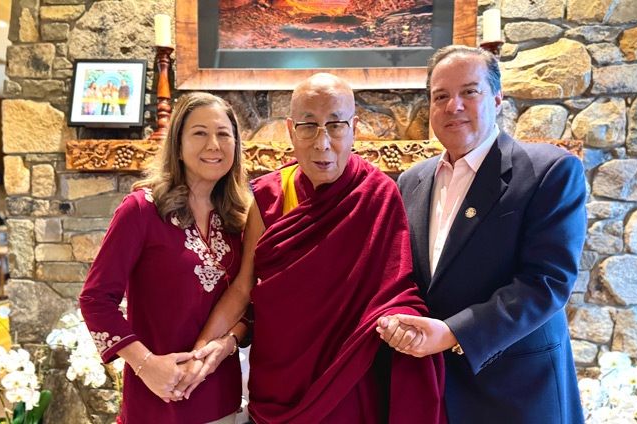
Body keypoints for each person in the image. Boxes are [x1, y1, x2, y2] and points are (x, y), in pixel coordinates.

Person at [183, 73, 446, 423]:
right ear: (291, 131)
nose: (322, 143)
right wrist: (199, 353)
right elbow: (243, 288)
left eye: (335, 126)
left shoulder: (379, 194)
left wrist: (405, 321)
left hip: (347, 380)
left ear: (354, 127)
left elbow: (396, 289)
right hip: (278, 379)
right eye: (309, 126)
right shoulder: (267, 196)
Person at [377, 45, 587, 423]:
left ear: (497, 97)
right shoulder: (411, 180)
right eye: (440, 96)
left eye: (469, 92)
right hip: (432, 386)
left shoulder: (550, 171)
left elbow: (546, 283)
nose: (453, 105)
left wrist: (452, 333)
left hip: (516, 390)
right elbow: (405, 272)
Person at [79, 92, 251, 424]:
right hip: (157, 399)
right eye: (199, 133)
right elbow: (95, 299)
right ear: (178, 144)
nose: (213, 144)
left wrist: (229, 343)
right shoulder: (141, 210)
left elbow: (249, 304)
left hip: (222, 397)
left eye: (223, 134)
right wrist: (145, 364)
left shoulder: (239, 219)